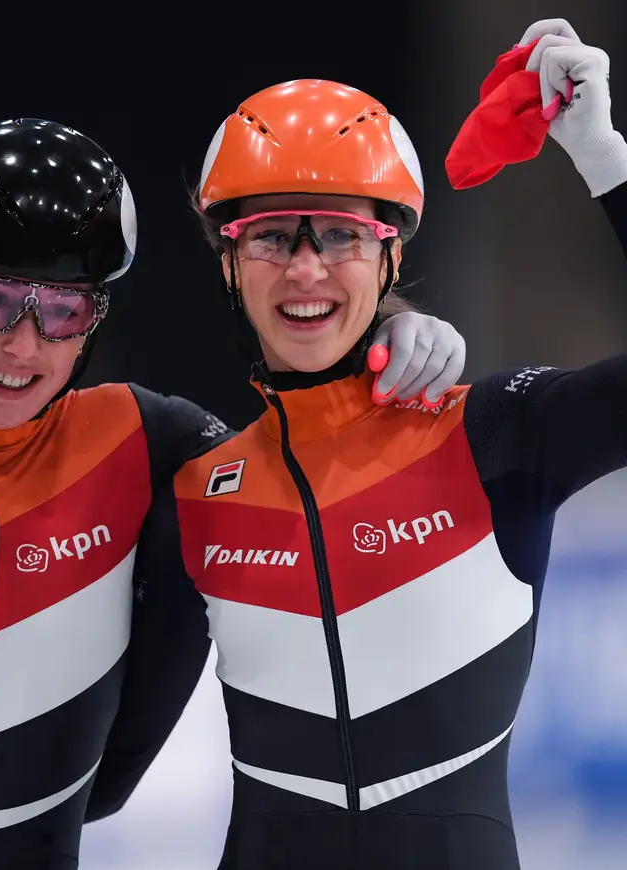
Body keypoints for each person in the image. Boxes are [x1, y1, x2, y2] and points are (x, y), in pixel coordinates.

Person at [0, 115, 464, 869]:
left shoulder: (148, 443)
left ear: (94, 321)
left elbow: (305, 465)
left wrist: (383, 339)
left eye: (62, 310)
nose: (24, 345)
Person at [152, 18, 625, 870]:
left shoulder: (500, 434)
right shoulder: (192, 487)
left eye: (337, 234)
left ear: (390, 253)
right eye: (270, 235)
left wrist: (602, 157)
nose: (304, 270)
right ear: (227, 261)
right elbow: (91, 773)